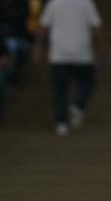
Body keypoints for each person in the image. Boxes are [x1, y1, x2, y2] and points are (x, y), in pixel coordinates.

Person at [36, 0, 103, 136]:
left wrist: (38, 46)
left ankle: (62, 124)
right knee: (88, 84)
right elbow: (97, 26)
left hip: (59, 55)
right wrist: (101, 46)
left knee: (59, 90)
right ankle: (77, 105)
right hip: (82, 54)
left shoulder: (54, 3)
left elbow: (43, 26)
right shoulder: (86, 3)